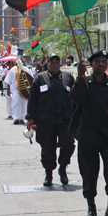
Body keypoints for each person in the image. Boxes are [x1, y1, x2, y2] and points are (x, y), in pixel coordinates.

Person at [69, 50, 108, 216]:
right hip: (88, 135)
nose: (101, 64)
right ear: (91, 65)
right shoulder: (85, 83)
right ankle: (91, 208)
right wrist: (79, 77)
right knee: (89, 174)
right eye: (97, 61)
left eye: (103, 61)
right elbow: (75, 99)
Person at [26, 54, 76, 186]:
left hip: (65, 120)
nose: (55, 65)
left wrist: (78, 117)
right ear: (47, 64)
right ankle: (48, 173)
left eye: (57, 62)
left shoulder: (68, 78)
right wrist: (30, 118)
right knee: (47, 148)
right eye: (52, 62)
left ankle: (63, 167)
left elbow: (75, 99)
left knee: (68, 143)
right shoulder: (40, 78)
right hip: (45, 120)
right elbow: (33, 99)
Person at [4, 59, 33, 125]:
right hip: (15, 90)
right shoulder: (12, 70)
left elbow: (30, 79)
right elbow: (8, 81)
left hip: (24, 91)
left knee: (23, 104)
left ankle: (22, 118)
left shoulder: (26, 70)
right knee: (16, 103)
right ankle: (16, 118)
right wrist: (8, 89)